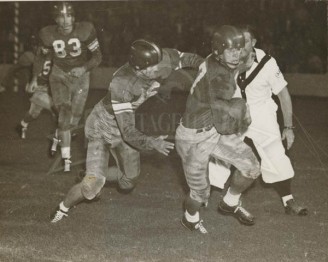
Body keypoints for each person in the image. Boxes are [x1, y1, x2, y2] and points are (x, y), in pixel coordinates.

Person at [50, 39, 204, 223]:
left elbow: (193, 59)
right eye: (153, 68)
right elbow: (128, 131)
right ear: (139, 69)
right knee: (91, 188)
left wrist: (210, 70)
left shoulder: (161, 58)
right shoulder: (122, 83)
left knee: (128, 182)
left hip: (123, 127)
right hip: (102, 127)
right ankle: (63, 207)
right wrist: (151, 142)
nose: (159, 71)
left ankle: (91, 174)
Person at [211, 25, 307, 215]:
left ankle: (288, 201)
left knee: (276, 154)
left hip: (262, 113)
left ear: (254, 43)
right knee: (219, 153)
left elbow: (283, 95)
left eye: (244, 42)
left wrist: (288, 127)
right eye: (236, 42)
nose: (239, 47)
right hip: (234, 112)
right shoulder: (226, 57)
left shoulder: (268, 63)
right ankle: (212, 195)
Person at [175, 25, 261, 234]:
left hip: (213, 128)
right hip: (194, 138)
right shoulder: (219, 77)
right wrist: (241, 114)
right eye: (231, 50)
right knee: (200, 194)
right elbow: (224, 125)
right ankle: (190, 218)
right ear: (218, 51)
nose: (236, 55)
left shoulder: (215, 59)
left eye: (239, 49)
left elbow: (241, 62)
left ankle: (230, 202)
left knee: (251, 168)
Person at [30, 2, 102, 172]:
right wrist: (34, 78)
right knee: (64, 110)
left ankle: (57, 137)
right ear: (56, 19)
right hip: (59, 74)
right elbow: (41, 57)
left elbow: (98, 56)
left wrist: (83, 68)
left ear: (74, 16)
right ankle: (66, 160)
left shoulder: (85, 30)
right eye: (61, 16)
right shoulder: (47, 34)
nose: (66, 20)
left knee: (73, 121)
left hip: (81, 77)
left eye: (69, 15)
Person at [18, 57, 57, 139]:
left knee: (34, 113)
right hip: (40, 89)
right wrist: (30, 82)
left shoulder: (54, 56)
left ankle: (23, 124)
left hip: (49, 88)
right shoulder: (40, 58)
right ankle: (61, 134)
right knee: (56, 109)